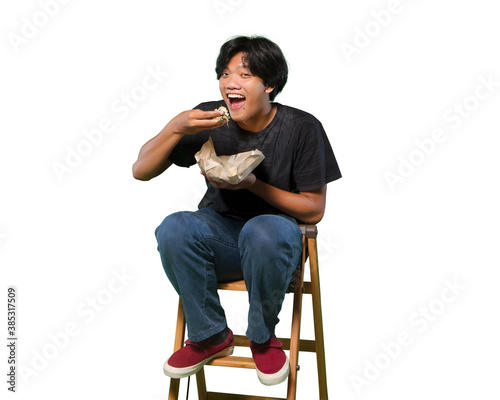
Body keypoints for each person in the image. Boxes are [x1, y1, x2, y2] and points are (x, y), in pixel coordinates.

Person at [132, 35, 341, 386]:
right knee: (174, 227)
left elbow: (314, 209)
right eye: (225, 74)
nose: (231, 83)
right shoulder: (211, 118)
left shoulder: (302, 128)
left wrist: (254, 185)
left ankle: (262, 338)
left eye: (244, 75)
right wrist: (176, 126)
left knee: (262, 230)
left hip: (275, 246)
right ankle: (210, 335)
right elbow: (141, 170)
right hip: (222, 240)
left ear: (269, 84)